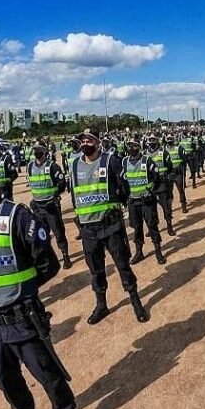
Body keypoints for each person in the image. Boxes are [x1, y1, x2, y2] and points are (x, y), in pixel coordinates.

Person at [0, 150, 75, 409]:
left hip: (22, 318)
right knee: (6, 381)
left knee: (49, 377)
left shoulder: (18, 216)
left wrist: (19, 290)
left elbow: (48, 265)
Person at [71, 129, 149, 324]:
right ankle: (101, 304)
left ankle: (135, 301)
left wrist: (117, 207)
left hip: (110, 225)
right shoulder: (74, 166)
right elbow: (74, 194)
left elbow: (124, 189)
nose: (85, 143)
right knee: (96, 269)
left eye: (89, 140)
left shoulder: (111, 161)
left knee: (122, 264)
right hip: (88, 228)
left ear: (97, 142)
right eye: (83, 140)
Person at [122, 136, 166, 265]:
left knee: (152, 226)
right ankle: (139, 252)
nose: (131, 148)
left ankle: (158, 252)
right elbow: (122, 181)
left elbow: (156, 177)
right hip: (133, 201)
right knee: (137, 227)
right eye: (129, 146)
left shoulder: (147, 160)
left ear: (139, 147)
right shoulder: (124, 161)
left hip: (147, 201)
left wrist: (150, 190)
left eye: (134, 145)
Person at [27, 141, 71, 269]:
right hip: (37, 207)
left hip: (50, 206)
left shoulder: (52, 166)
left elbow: (62, 183)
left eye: (39, 150)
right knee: (41, 235)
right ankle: (47, 259)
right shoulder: (30, 167)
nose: (36, 152)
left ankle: (65, 255)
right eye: (35, 150)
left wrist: (56, 195)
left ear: (45, 151)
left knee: (58, 232)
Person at [144, 134, 176, 236]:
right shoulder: (144, 154)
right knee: (151, 210)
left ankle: (169, 226)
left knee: (166, 207)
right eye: (150, 140)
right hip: (150, 186)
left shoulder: (163, 153)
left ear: (157, 141)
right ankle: (152, 228)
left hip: (162, 184)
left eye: (154, 140)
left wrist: (168, 177)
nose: (152, 142)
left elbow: (170, 167)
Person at [166, 134, 189, 214]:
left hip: (178, 173)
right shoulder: (164, 150)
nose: (169, 140)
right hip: (169, 174)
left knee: (181, 190)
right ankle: (169, 208)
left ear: (173, 139)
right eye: (168, 139)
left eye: (171, 139)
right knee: (169, 192)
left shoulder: (179, 148)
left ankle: (183, 206)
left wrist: (180, 165)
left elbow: (185, 158)